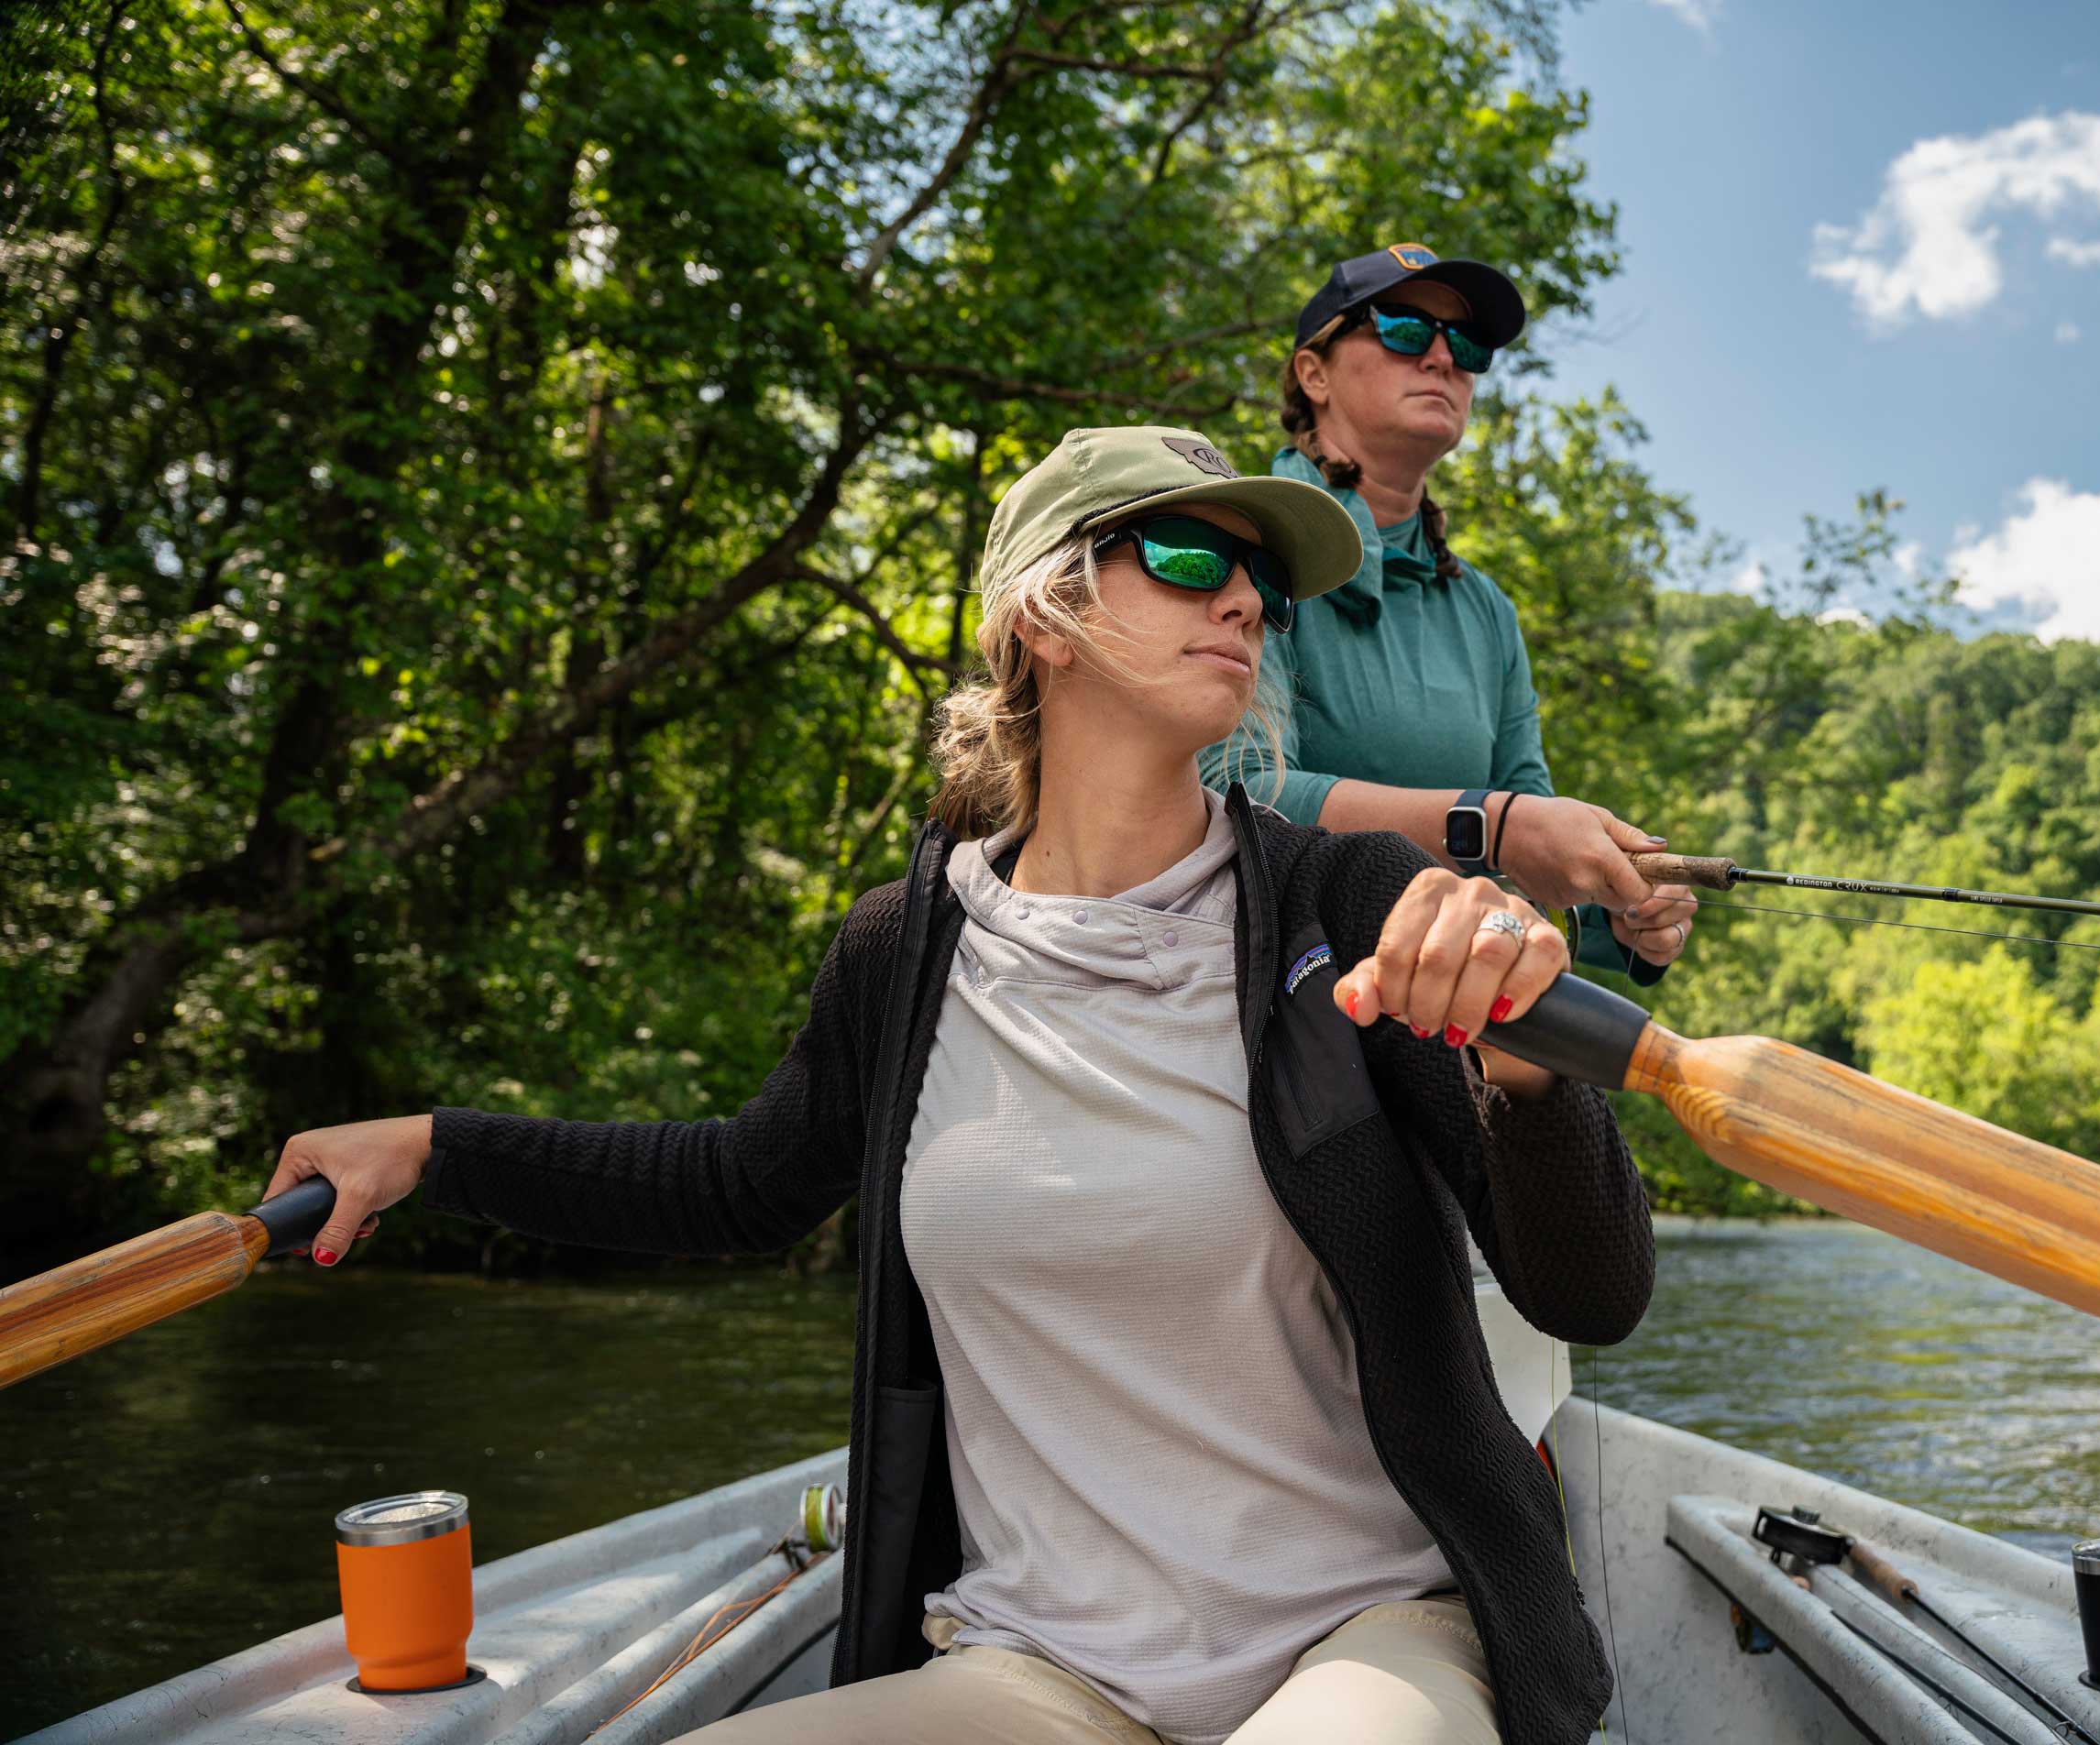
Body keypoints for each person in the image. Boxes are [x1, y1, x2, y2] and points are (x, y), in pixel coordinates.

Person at [259, 424, 1655, 1745]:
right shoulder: (902, 949)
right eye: (1186, 556)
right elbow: (735, 1186)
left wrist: (1531, 1087)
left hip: (1367, 1631)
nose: (1241, 602)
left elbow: (1591, 1298)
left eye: (1263, 584)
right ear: (1040, 616)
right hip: (1043, 1665)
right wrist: (438, 1147)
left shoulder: (1351, 906)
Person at [1201, 242, 1698, 994]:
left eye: (1465, 346)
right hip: (1277, 994)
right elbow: (1236, 791)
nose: (1442, 359)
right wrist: (1487, 824)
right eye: (1403, 329)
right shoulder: (1249, 547)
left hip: (1449, 1000)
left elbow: (1528, 811)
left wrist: (1619, 904)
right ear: (1314, 373)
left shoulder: (1485, 609)